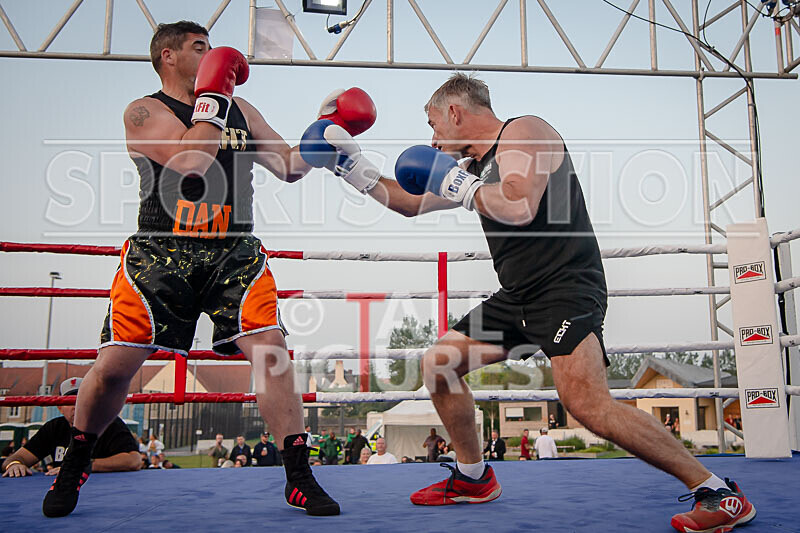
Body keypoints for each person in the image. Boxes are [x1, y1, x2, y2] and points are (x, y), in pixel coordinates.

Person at [298, 73, 755, 531]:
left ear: (456, 112)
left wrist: (459, 183)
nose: (432, 137)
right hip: (517, 296)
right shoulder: (472, 169)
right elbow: (406, 202)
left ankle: (717, 491)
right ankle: (474, 477)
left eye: (434, 122)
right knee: (439, 363)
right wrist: (349, 165)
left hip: (564, 288)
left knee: (587, 404)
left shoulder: (523, 133)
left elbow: (519, 205)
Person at [39, 21, 363, 518]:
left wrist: (325, 133)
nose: (212, 55)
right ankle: (76, 461)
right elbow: (192, 159)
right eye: (199, 48)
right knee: (112, 371)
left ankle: (298, 476)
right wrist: (213, 94)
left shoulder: (239, 108)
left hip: (233, 250)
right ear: (167, 56)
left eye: (212, 48)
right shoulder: (143, 111)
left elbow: (289, 165)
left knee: (272, 351)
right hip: (160, 252)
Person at [2, 378, 141, 478]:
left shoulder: (110, 423)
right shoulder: (54, 428)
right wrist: (14, 464)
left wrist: (81, 466)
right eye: (69, 402)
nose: (76, 406)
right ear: (60, 407)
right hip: (62, 489)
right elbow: (17, 458)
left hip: (104, 491)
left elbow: (133, 460)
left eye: (81, 400)